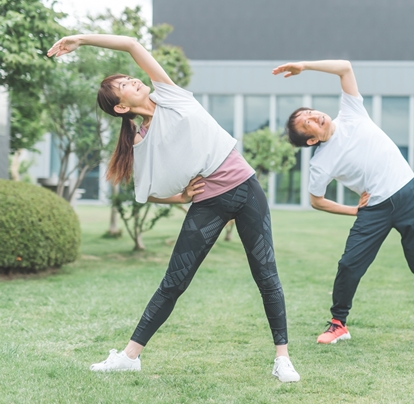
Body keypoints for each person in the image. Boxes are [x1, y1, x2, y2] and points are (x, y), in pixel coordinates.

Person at [47, 34, 300, 382]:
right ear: (121, 106)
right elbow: (146, 191)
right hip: (208, 203)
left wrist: (81, 40)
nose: (132, 80)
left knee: (266, 274)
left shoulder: (169, 94)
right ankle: (129, 357)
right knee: (173, 282)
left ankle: (282, 359)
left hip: (246, 189)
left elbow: (133, 45)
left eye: (128, 77)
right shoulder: (140, 138)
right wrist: (181, 198)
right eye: (123, 85)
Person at [273, 60, 414, 348]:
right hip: (375, 210)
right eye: (306, 122)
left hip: (409, 194)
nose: (313, 117)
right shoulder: (321, 164)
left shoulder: (351, 113)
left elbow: (345, 67)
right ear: (310, 141)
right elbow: (315, 201)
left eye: (309, 112)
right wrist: (353, 210)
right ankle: (338, 324)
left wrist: (305, 66)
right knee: (349, 264)